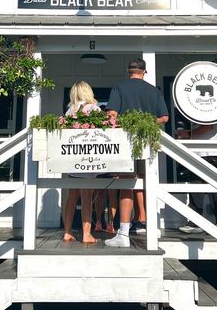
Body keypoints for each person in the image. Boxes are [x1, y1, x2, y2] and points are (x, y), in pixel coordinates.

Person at [104, 59, 169, 247]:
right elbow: (164, 117)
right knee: (146, 181)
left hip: (126, 143)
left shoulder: (119, 87)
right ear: (144, 72)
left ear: (128, 71)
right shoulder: (154, 91)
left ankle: (123, 233)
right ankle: (146, 222)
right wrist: (146, 123)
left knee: (126, 184)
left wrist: (128, 124)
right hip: (148, 142)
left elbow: (112, 115)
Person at [62, 81, 101, 244]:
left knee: (72, 196)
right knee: (87, 196)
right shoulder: (94, 109)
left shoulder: (70, 110)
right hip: (89, 158)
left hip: (73, 158)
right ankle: (86, 234)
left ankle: (67, 232)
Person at [176, 122, 217, 233]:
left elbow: (209, 126)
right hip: (196, 153)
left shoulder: (209, 109)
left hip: (208, 152)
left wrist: (189, 134)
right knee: (195, 187)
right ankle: (196, 222)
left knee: (213, 189)